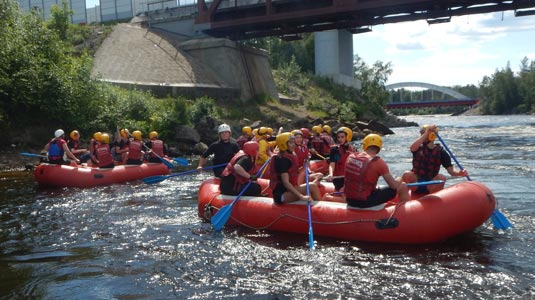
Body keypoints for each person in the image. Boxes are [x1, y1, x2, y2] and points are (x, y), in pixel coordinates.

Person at [344, 134, 409, 208]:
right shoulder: (378, 162)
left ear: (364, 145)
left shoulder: (350, 157)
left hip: (349, 200)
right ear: (379, 148)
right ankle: (404, 214)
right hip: (365, 202)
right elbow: (393, 185)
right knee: (403, 186)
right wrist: (399, 179)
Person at [401, 124, 469, 193]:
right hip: (416, 183)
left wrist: (459, 173)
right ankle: (404, 196)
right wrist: (427, 133)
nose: (421, 136)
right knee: (407, 174)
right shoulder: (418, 147)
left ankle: (432, 199)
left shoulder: (441, 152)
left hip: (431, 183)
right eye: (421, 134)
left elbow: (451, 171)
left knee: (442, 177)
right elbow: (412, 147)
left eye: (423, 134)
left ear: (432, 136)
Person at [269, 132, 322, 204]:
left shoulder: (289, 155)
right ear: (283, 144)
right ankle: (321, 207)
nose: (294, 145)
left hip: (288, 190)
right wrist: (301, 196)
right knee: (312, 186)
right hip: (282, 196)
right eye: (291, 143)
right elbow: (285, 182)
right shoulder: (282, 159)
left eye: (293, 142)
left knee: (312, 185)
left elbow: (292, 172)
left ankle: (318, 206)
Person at [325, 127, 355, 191]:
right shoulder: (335, 149)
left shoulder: (353, 149)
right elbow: (332, 163)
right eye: (338, 137)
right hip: (338, 178)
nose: (340, 139)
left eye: (342, 137)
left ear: (347, 137)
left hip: (349, 177)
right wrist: (331, 174)